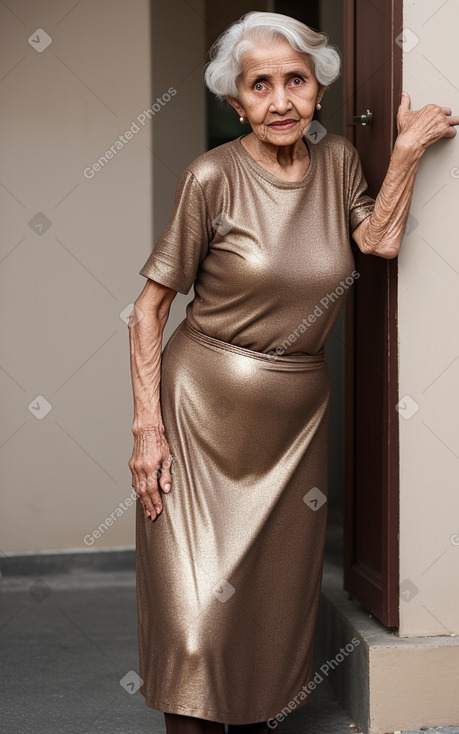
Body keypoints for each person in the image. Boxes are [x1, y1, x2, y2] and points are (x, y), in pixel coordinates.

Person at [128, 11, 458, 734]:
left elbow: (377, 239)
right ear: (235, 102)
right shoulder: (211, 177)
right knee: (194, 624)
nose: (279, 101)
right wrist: (147, 430)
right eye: (259, 86)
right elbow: (147, 310)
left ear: (317, 90)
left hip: (293, 421)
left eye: (295, 82)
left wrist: (403, 152)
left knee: (264, 612)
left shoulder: (337, 160)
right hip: (196, 414)